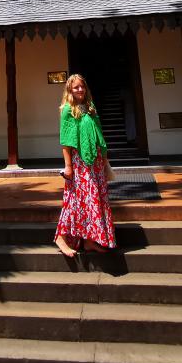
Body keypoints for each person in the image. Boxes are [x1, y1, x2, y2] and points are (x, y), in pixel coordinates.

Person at [54, 73, 116, 257]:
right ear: (70, 90)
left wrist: (103, 158)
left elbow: (98, 133)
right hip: (79, 162)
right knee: (76, 199)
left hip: (95, 161)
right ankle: (61, 238)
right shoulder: (68, 110)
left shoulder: (90, 107)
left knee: (93, 199)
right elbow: (66, 141)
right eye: (76, 87)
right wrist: (68, 166)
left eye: (82, 86)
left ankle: (89, 240)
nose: (80, 89)